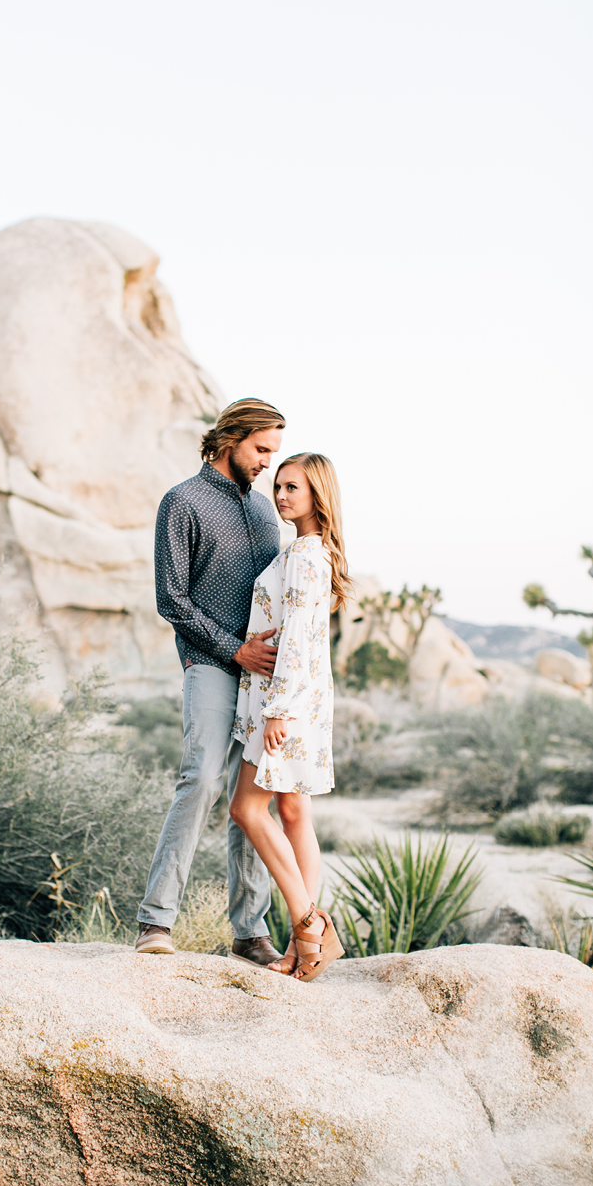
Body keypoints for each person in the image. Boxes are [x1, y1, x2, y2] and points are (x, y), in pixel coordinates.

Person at [135, 398, 288, 965]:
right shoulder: (182, 502)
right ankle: (155, 922)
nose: (269, 463)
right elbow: (169, 598)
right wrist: (234, 650)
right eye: (262, 449)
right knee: (200, 779)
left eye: (274, 452)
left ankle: (250, 934)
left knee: (253, 801)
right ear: (231, 438)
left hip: (265, 680)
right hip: (211, 665)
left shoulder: (264, 512)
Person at [230, 453, 351, 980]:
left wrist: (277, 711)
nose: (280, 496)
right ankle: (303, 946)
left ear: (316, 493)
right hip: (303, 699)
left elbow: (299, 637)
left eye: (292, 488)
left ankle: (308, 927)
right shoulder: (308, 551)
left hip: (285, 703)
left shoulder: (304, 556)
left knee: (247, 811)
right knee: (294, 814)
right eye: (277, 486)